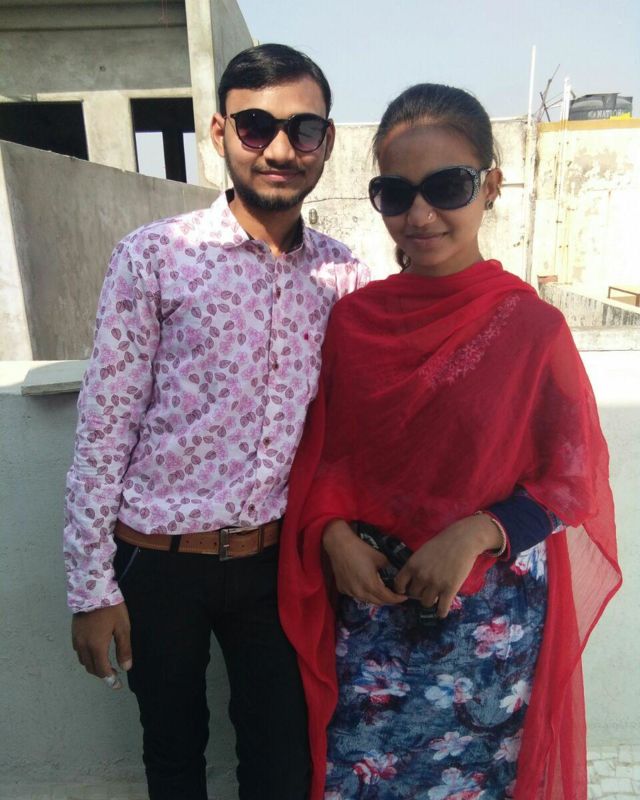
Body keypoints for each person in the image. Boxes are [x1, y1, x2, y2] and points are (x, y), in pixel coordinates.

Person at [279, 83, 621, 800]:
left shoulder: (532, 329)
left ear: (490, 187)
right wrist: (331, 536)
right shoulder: (354, 325)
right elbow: (324, 461)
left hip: (487, 632)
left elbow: (572, 479)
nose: (421, 215)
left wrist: (475, 533)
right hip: (372, 615)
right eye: (396, 194)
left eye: (447, 187)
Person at [64, 43, 369, 800]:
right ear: (220, 131)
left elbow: (359, 427)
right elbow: (104, 427)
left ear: (327, 140)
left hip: (278, 561)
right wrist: (90, 588)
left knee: (282, 759)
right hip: (157, 561)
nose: (279, 149)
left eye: (303, 129)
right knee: (173, 755)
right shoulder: (155, 257)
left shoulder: (344, 277)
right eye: (256, 125)